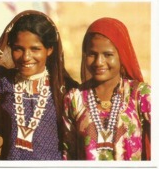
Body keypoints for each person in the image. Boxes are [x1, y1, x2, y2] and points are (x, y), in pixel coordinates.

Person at [0, 10, 79, 160]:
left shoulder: (66, 89)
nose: (26, 57)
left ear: (50, 49)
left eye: (35, 49)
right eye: (18, 49)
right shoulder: (3, 82)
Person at [62, 17, 151, 160]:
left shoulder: (140, 94)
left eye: (108, 55)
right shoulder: (74, 98)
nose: (99, 62)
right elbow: (68, 152)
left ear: (122, 55)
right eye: (92, 54)